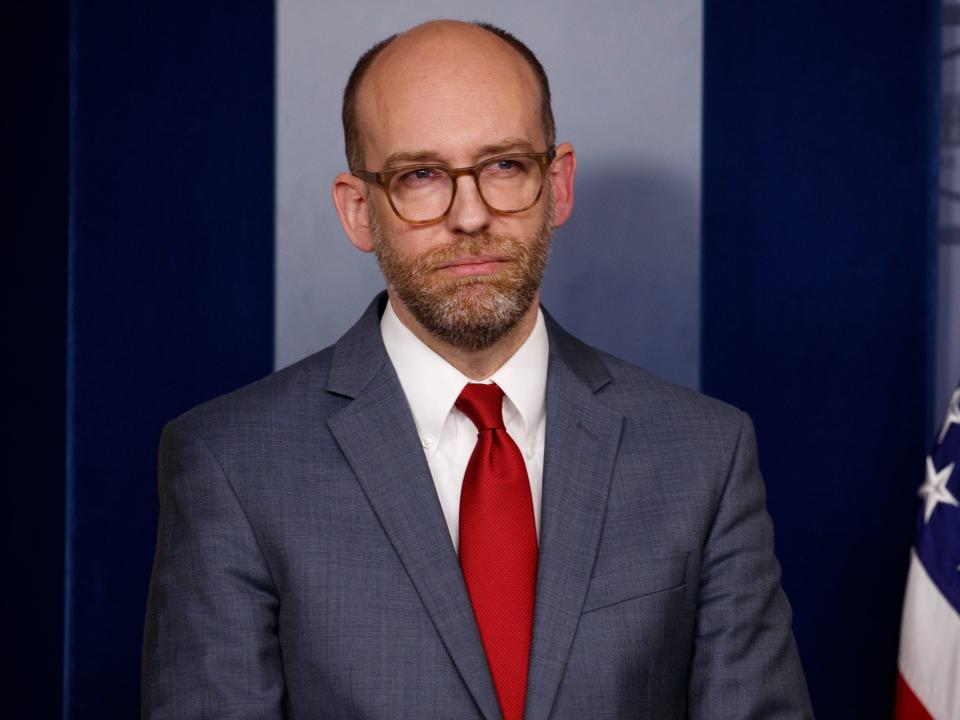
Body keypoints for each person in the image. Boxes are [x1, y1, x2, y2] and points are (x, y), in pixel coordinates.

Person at [141, 19, 813, 720]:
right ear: (358, 210)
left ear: (557, 184)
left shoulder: (703, 453)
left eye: (504, 166)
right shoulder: (232, 463)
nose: (470, 214)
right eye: (421, 176)